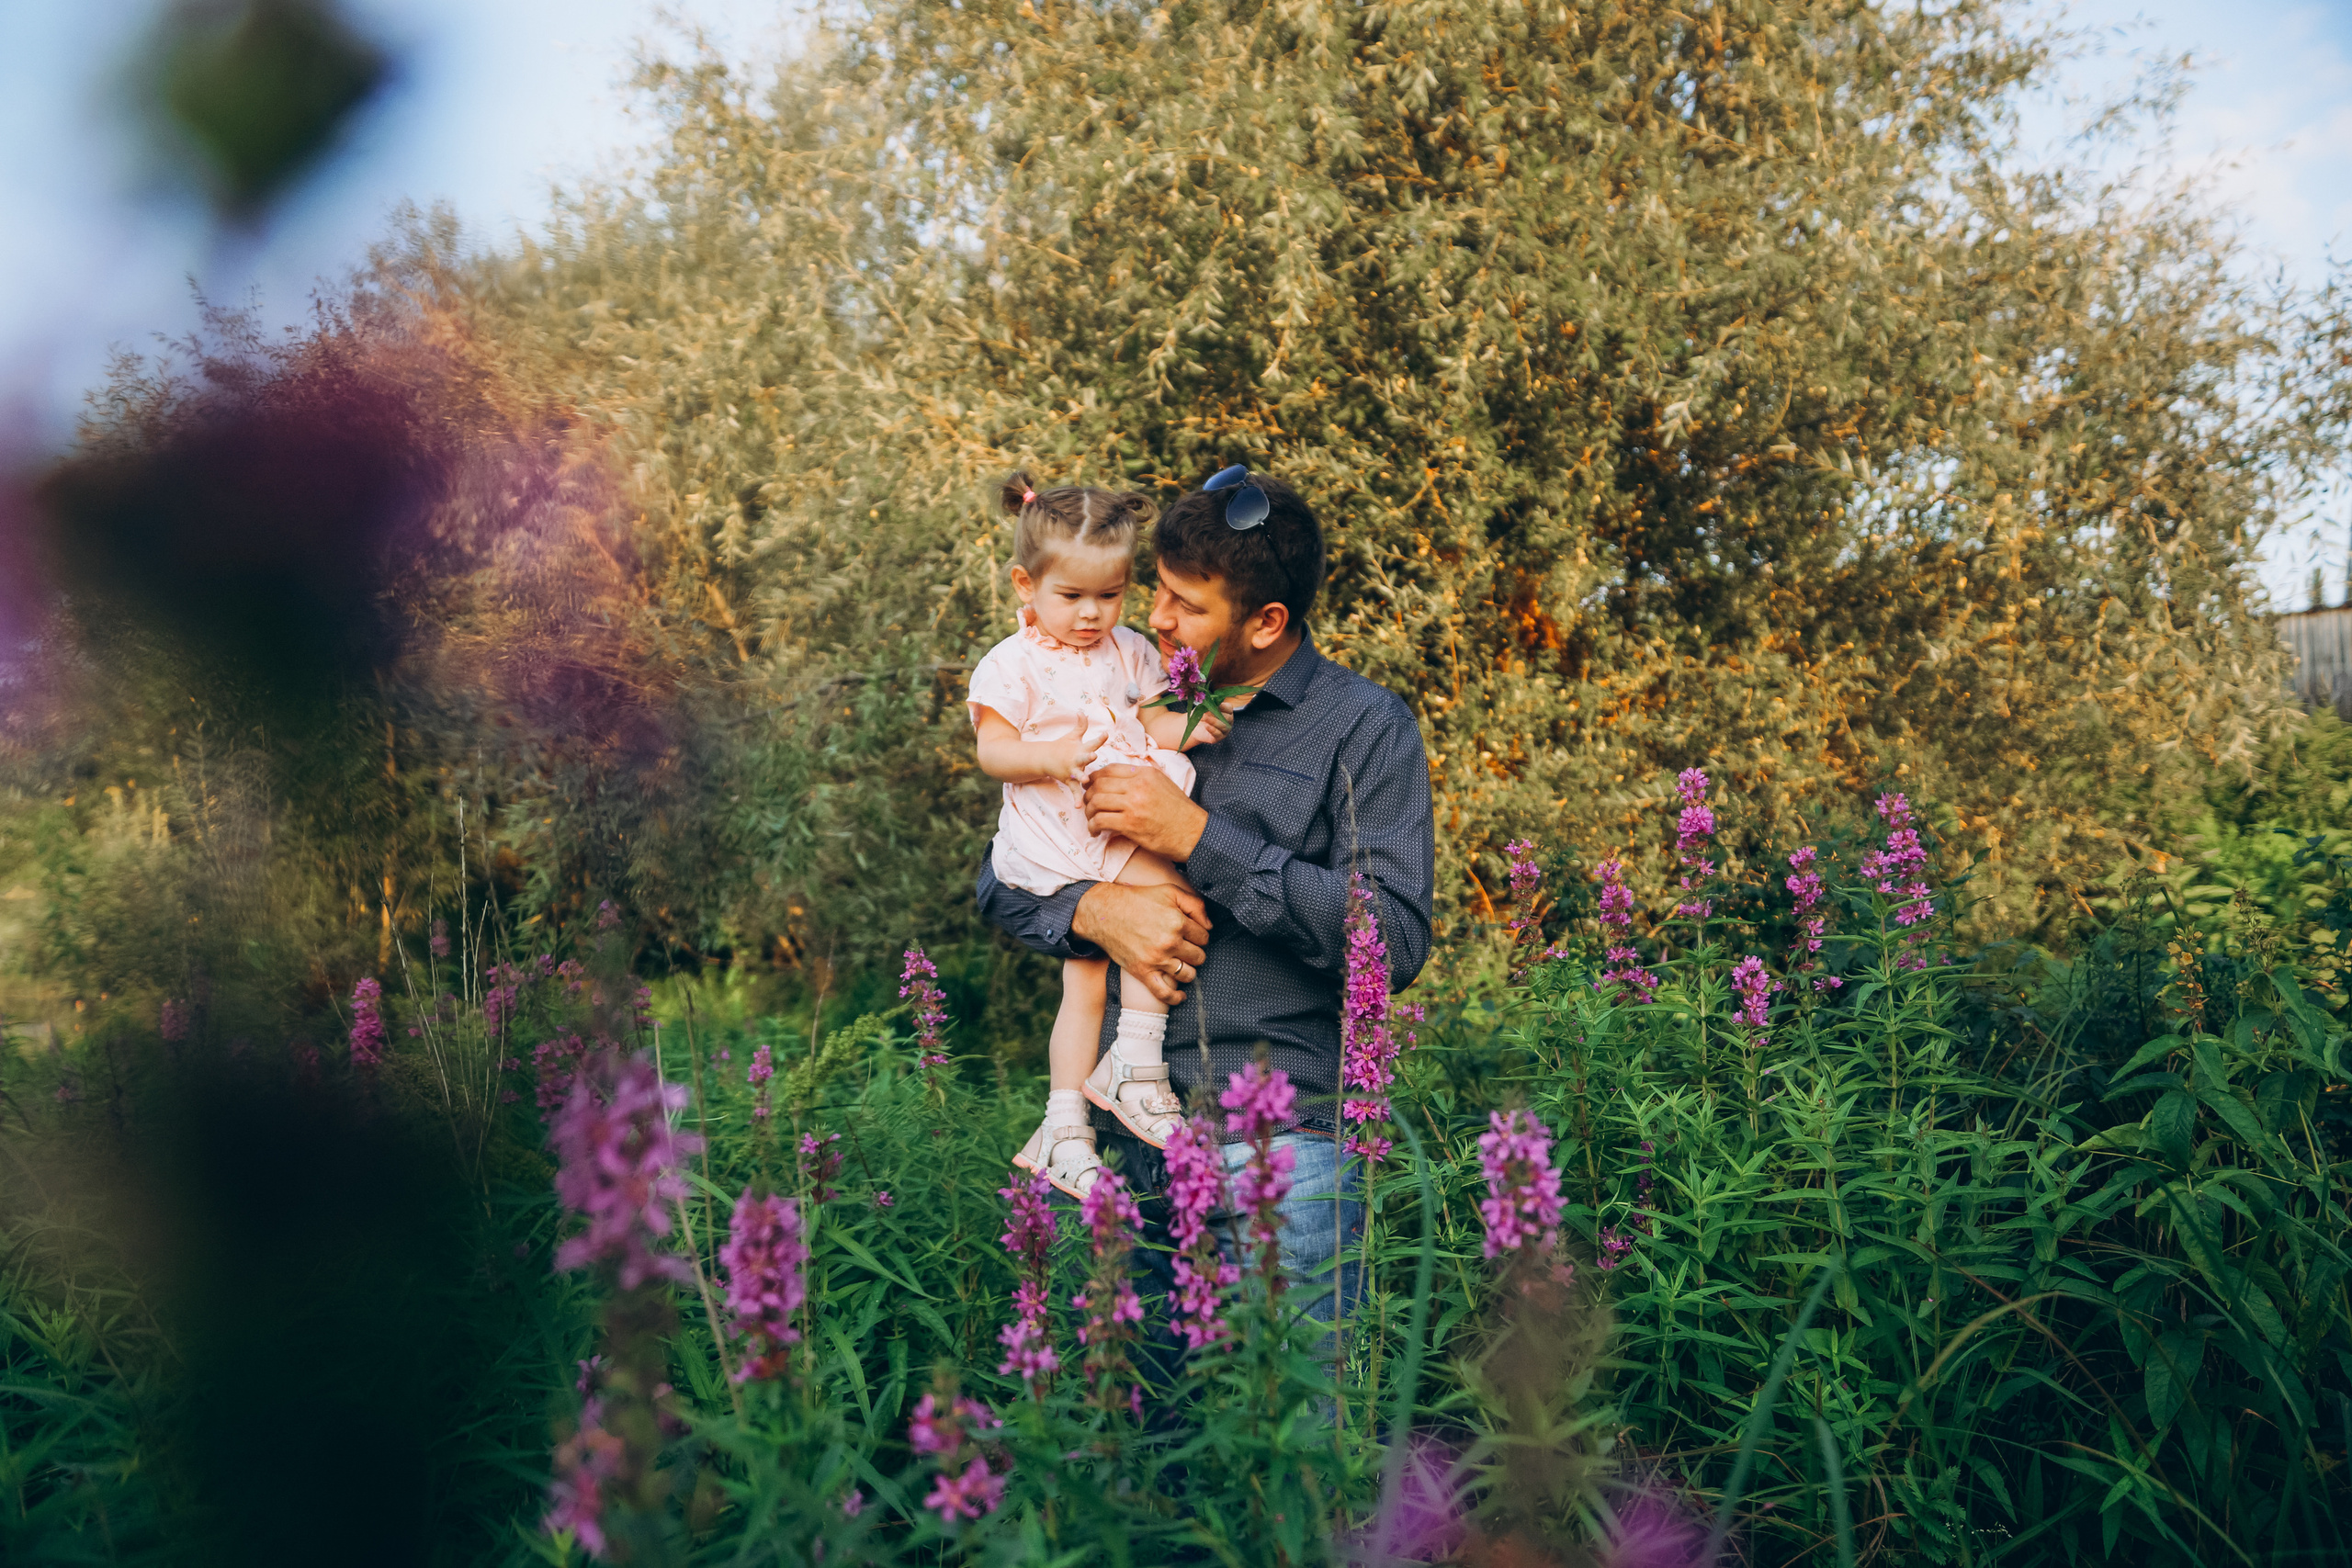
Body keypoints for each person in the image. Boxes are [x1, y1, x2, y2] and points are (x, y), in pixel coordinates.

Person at [978, 465, 1435, 1331]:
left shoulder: (1364, 728)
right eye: (1155, 591)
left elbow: (1394, 939)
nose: (1154, 618)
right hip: (1120, 1151)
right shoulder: (1119, 686)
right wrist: (1091, 912)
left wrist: (1194, 837)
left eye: (1186, 605)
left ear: (1265, 622)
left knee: (1288, 1445)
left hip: (1279, 1150)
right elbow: (1001, 878)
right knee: (1138, 1444)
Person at [967, 475, 1233, 1200]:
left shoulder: (1131, 651)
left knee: (1129, 942)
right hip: (1054, 832)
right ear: (1027, 584)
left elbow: (1148, 719)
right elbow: (992, 749)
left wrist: (1188, 726)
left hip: (1111, 821)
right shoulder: (1011, 664)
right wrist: (1045, 757)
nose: (1093, 614)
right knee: (1096, 966)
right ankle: (1100, 1090)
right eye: (1073, 597)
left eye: (1109, 595)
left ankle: (1085, 1109)